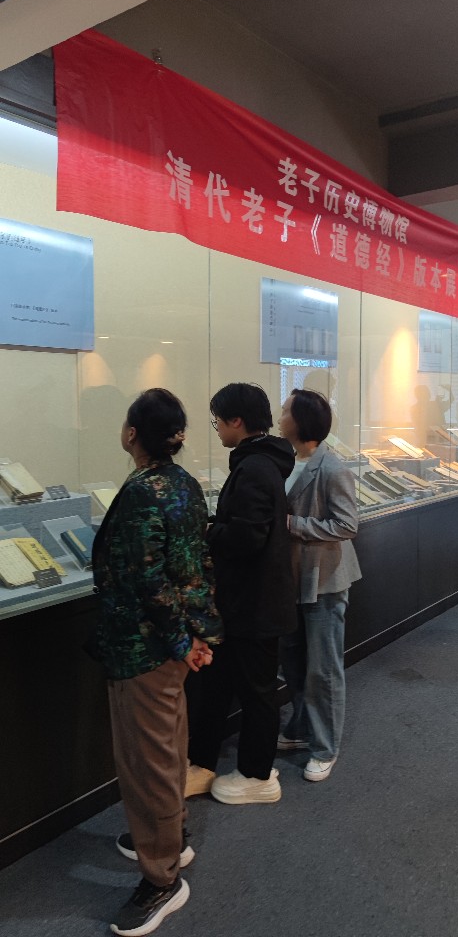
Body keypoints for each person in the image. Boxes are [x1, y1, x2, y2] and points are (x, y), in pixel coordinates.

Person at [92, 388, 223, 937]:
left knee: (145, 764)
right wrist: (196, 635)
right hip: (171, 644)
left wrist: (178, 641)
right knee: (168, 748)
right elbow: (195, 564)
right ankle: (173, 837)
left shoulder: (142, 491)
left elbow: (148, 579)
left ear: (131, 434)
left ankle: (162, 877)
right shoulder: (185, 483)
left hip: (143, 649)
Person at [189, 382, 297, 805]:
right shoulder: (262, 462)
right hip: (246, 603)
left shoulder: (254, 468)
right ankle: (202, 763)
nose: (216, 427)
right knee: (219, 686)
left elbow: (247, 537)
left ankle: (257, 774)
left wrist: (208, 531)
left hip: (254, 604)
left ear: (236, 421)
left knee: (257, 693)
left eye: (217, 419)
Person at [277, 388, 361, 782]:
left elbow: (346, 525)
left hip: (324, 581)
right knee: (293, 661)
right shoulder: (286, 460)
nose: (280, 415)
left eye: (285, 410)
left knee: (323, 669)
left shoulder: (332, 467)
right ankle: (300, 728)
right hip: (292, 580)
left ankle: (326, 747)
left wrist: (294, 525)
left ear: (301, 421)